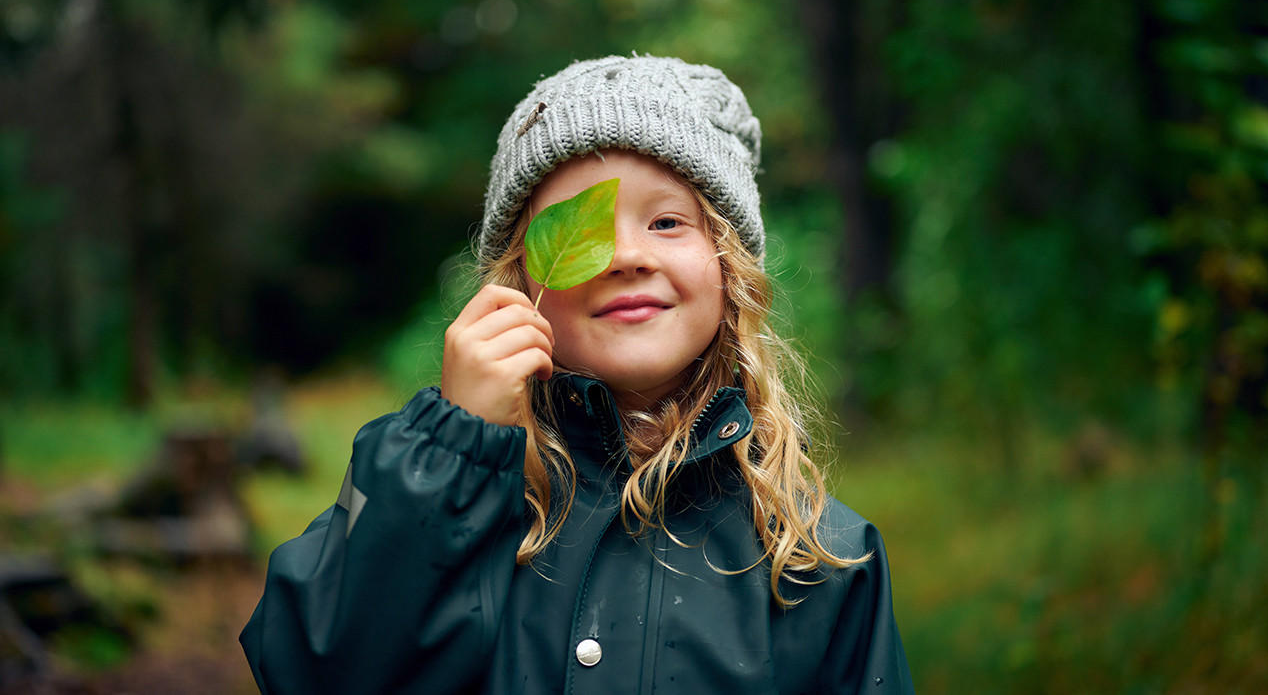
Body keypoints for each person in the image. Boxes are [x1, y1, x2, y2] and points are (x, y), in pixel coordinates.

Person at [240, 54, 913, 695]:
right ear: (520, 276)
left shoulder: (822, 560)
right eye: (581, 227)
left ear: (729, 268)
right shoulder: (433, 485)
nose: (624, 254)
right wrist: (454, 445)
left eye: (668, 221)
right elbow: (314, 669)